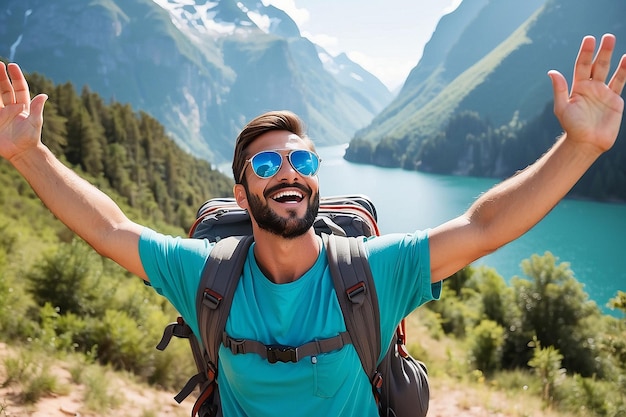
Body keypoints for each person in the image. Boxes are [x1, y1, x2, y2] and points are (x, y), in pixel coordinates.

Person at [0, 33, 624, 416]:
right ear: (242, 192)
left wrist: (581, 148)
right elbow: (111, 230)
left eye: (301, 159)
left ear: (316, 179)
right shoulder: (207, 275)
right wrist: (29, 154)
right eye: (266, 163)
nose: (288, 172)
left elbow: (484, 226)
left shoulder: (373, 270)